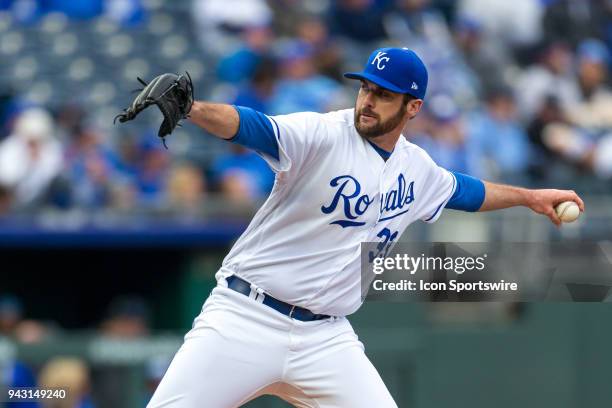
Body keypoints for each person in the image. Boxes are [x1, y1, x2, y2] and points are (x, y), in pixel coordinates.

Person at [137, 47, 583, 407]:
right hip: (246, 316)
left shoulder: (417, 169)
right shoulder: (324, 133)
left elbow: (466, 192)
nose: (367, 101)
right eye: (365, 88)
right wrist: (192, 108)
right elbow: (256, 128)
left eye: (383, 94)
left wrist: (529, 198)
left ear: (414, 107)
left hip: (325, 338)